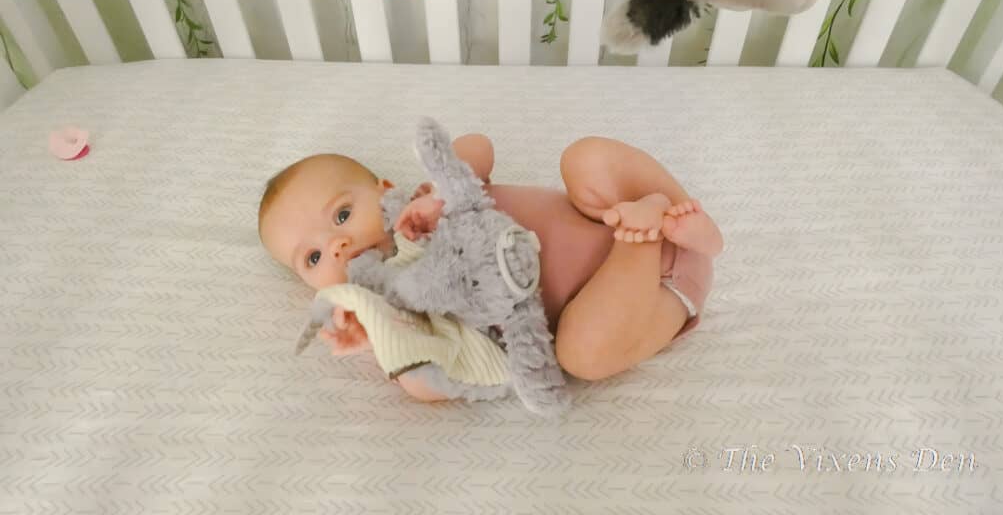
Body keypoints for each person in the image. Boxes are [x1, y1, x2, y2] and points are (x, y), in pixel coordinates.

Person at [258, 133, 723, 402]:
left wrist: (440, 192)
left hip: (610, 211)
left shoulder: (425, 205)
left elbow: (477, 146)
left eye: (341, 215)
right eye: (313, 258)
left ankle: (685, 219)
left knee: (585, 158)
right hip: (647, 301)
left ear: (385, 188)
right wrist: (381, 334)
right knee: (582, 355)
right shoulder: (402, 306)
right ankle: (642, 236)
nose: (337, 246)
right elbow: (431, 384)